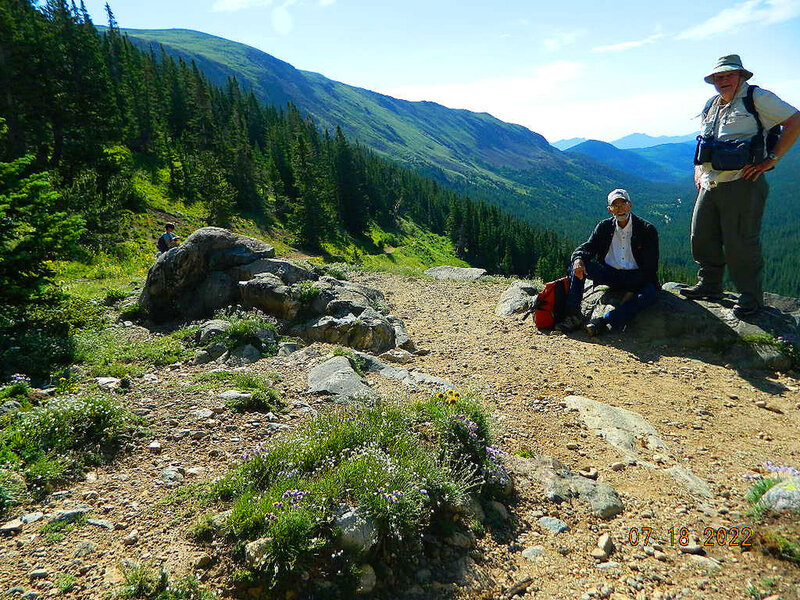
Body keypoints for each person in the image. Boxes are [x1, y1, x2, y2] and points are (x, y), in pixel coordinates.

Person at [680, 55, 800, 317]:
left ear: (741, 76)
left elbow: (795, 121)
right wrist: (698, 171)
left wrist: (772, 159)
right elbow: (704, 142)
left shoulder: (757, 98)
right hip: (710, 184)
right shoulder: (711, 105)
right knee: (701, 236)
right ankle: (710, 285)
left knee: (741, 243)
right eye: (718, 77)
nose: (722, 81)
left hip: (743, 182)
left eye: (728, 75)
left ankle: (750, 297)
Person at [559, 189, 659, 337]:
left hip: (636, 277)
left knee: (650, 294)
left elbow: (651, 267)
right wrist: (578, 259)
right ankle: (573, 315)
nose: (620, 209)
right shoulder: (604, 227)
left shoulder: (646, 230)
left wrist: (633, 289)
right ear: (609, 209)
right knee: (577, 267)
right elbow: (588, 247)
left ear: (630, 205)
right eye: (615, 206)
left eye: (623, 204)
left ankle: (605, 320)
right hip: (610, 274)